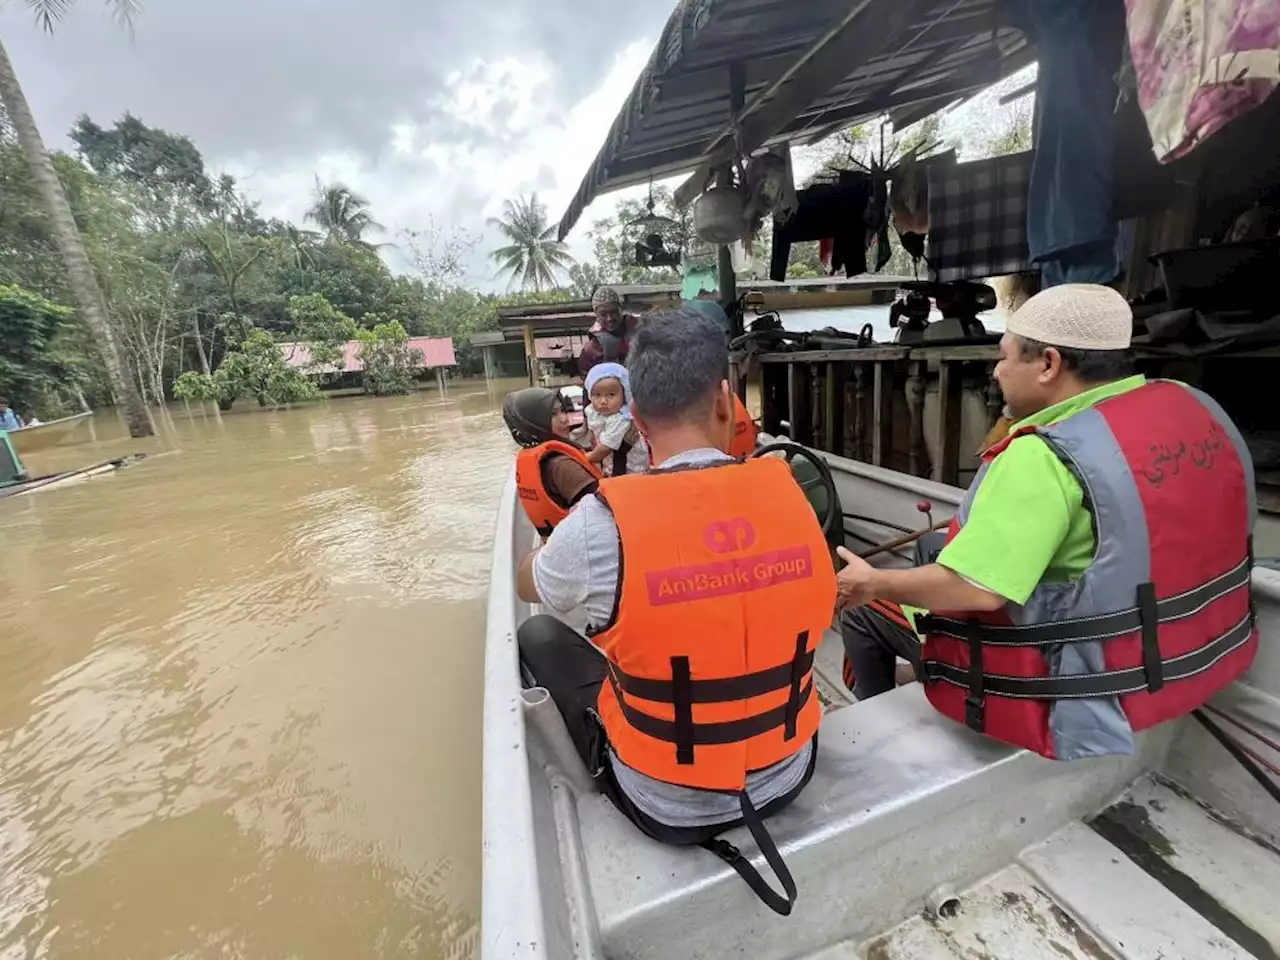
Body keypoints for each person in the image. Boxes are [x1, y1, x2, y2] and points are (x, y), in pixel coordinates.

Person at [835, 283, 1257, 761]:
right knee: (934, 545)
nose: (996, 371)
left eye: (1004, 357)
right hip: (1177, 652)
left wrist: (872, 583)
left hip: (1068, 681)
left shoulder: (1042, 455)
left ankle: (872, 732)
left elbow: (978, 591)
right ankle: (909, 678)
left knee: (864, 614)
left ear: (1049, 364)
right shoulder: (1188, 407)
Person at [516, 308, 836, 915]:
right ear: (726, 400)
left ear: (634, 417)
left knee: (538, 632)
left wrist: (554, 544)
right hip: (791, 771)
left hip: (664, 802)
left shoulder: (598, 522)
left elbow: (528, 580)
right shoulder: (787, 487)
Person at [503, 387, 601, 539]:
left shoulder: (531, 456)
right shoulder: (561, 466)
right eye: (553, 414)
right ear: (533, 422)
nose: (564, 418)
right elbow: (606, 507)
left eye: (562, 410)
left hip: (556, 544)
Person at [582, 362, 649, 476]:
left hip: (631, 468)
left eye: (611, 395)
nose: (603, 401)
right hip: (608, 462)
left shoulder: (621, 419)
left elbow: (605, 448)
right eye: (597, 395)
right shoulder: (592, 410)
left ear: (624, 395)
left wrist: (587, 457)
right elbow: (592, 434)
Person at [577, 286, 639, 377]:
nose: (610, 318)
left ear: (621, 309)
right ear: (596, 316)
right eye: (603, 314)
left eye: (613, 312)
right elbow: (586, 376)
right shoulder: (592, 348)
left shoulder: (640, 330)